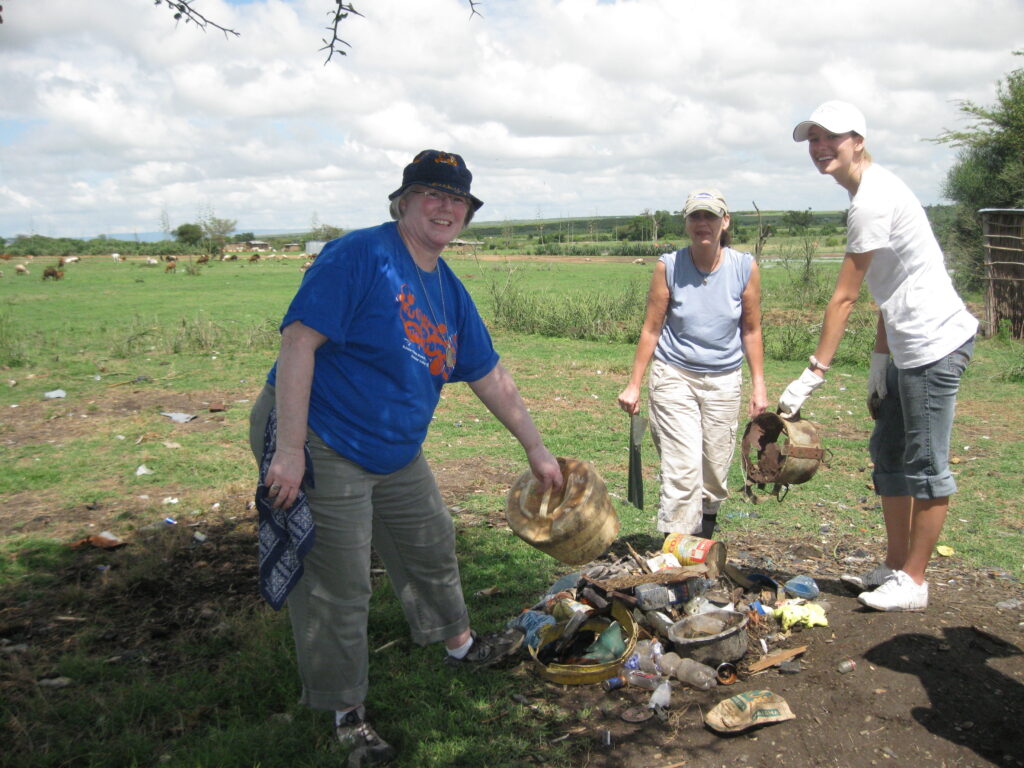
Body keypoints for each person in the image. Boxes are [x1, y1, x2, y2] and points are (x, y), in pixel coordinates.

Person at [248, 149, 563, 765]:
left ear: (467, 215)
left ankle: (458, 644)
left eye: (458, 200)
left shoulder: (446, 288)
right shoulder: (358, 256)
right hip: (320, 432)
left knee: (429, 540)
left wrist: (535, 446)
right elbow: (297, 344)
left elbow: (488, 374)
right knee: (340, 581)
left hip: (392, 444)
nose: (446, 207)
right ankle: (346, 713)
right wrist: (288, 449)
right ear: (404, 202)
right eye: (432, 194)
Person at [780, 101, 978, 612]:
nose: (820, 148)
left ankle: (914, 580)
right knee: (889, 452)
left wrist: (813, 374)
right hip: (904, 344)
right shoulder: (870, 190)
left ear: (859, 141)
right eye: (813, 139)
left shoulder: (871, 199)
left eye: (832, 138)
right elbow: (890, 292)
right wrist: (878, 364)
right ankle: (894, 565)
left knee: (926, 464)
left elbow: (845, 296)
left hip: (934, 344)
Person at [617, 189, 767, 541]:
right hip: (674, 375)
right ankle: (674, 555)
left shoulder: (744, 267)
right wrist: (634, 383)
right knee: (682, 471)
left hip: (724, 379)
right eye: (696, 216)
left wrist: (759, 385)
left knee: (714, 471)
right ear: (686, 222)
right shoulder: (668, 266)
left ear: (725, 221)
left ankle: (702, 544)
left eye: (711, 216)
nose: (703, 224)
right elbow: (652, 328)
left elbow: (752, 329)